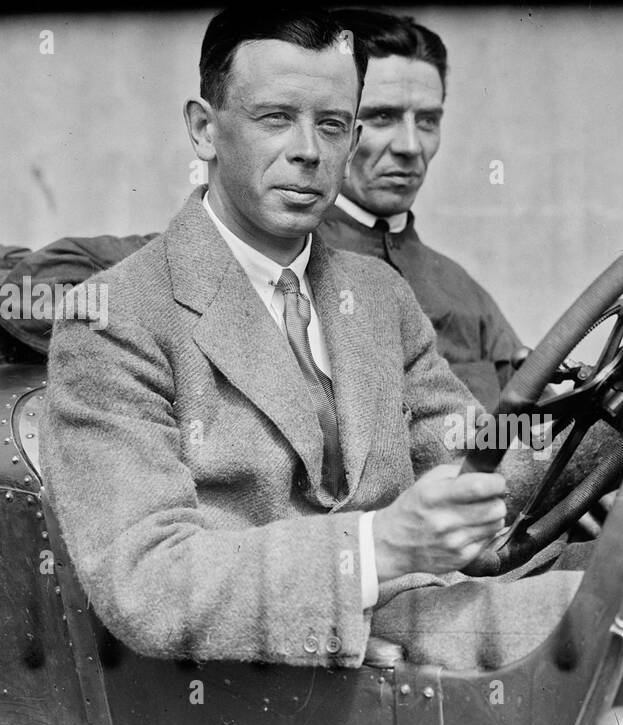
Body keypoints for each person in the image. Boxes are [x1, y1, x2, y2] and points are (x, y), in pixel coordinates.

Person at [43, 7, 556, 669]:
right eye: (275, 118)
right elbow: (150, 584)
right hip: (262, 693)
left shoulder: (377, 294)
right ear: (204, 130)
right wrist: (381, 546)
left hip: (420, 633)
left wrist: (608, 431)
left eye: (334, 123)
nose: (310, 151)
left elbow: (467, 447)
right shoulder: (113, 319)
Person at [319, 8, 526, 413]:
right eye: (382, 116)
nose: (410, 147)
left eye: (428, 120)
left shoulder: (462, 290)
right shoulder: (281, 265)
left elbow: (529, 432)